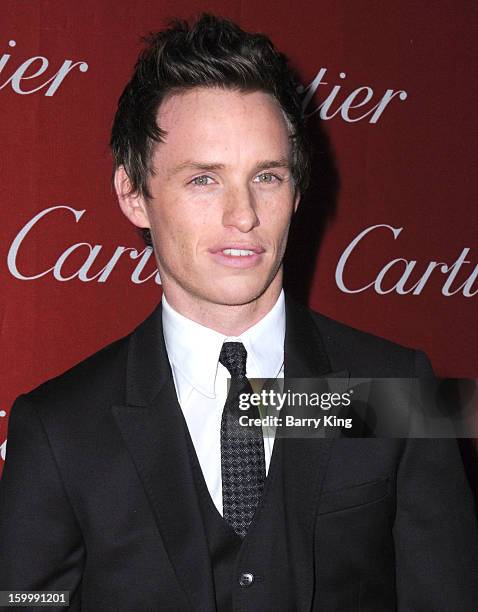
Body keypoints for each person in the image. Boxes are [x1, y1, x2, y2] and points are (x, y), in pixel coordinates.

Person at [0, 14, 477, 612]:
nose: (244, 215)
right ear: (132, 194)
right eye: (204, 179)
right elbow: (24, 602)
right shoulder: (58, 425)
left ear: (298, 191)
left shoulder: (399, 387)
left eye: (267, 176)